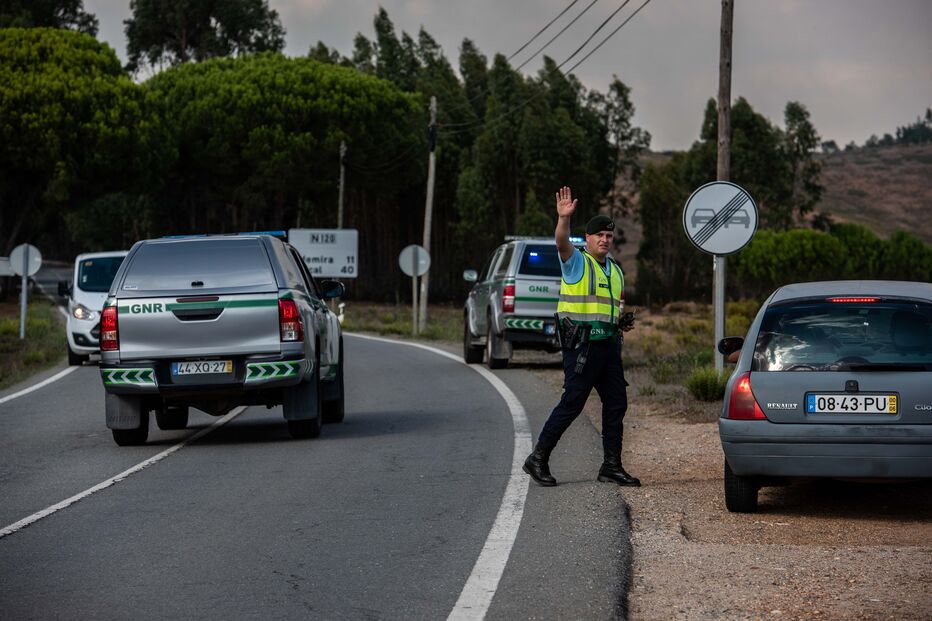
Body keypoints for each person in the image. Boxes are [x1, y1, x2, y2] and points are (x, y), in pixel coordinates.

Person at [523, 186, 640, 487]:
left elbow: (605, 309)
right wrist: (563, 219)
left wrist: (619, 322)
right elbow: (561, 241)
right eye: (599, 235)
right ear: (587, 239)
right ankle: (538, 458)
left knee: (616, 404)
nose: (604, 239)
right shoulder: (576, 262)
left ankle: (610, 466)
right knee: (573, 403)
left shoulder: (615, 270)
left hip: (608, 348)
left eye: (609, 236)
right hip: (582, 348)